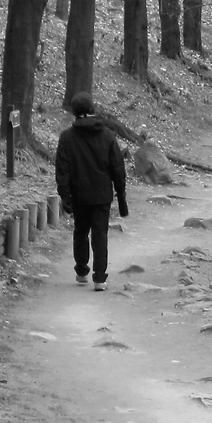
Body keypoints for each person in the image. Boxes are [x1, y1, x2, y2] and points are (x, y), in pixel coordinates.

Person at [54, 92, 127, 288]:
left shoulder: (67, 137)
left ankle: (81, 270)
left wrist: (65, 195)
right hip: (102, 194)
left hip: (79, 194)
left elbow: (62, 170)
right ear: (92, 109)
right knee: (100, 234)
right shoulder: (107, 135)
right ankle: (100, 277)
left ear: (74, 112)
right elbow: (118, 168)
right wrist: (121, 198)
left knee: (80, 231)